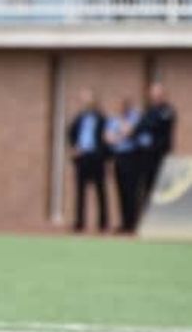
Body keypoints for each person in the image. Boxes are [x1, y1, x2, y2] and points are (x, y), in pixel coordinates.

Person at [67, 89, 108, 233]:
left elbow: (106, 138)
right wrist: (74, 147)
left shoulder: (102, 118)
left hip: (96, 157)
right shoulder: (79, 118)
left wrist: (104, 154)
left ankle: (103, 223)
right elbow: (70, 133)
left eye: (88, 99)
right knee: (80, 191)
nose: (85, 101)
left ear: (94, 101)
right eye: (83, 99)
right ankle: (79, 222)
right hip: (82, 157)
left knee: (100, 190)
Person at [135, 82, 177, 212]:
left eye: (158, 94)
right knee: (147, 187)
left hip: (161, 155)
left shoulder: (167, 111)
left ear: (163, 95)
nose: (156, 97)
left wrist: (146, 124)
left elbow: (156, 125)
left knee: (162, 188)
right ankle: (148, 214)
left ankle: (163, 215)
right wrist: (145, 125)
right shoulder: (149, 110)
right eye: (153, 94)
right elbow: (139, 127)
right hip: (146, 156)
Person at [104, 96, 142, 234]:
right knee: (120, 190)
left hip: (132, 157)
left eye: (122, 105)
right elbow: (108, 138)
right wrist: (119, 136)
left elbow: (129, 132)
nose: (120, 108)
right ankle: (124, 223)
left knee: (131, 190)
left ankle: (133, 223)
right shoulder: (112, 119)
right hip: (118, 157)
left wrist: (120, 131)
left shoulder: (135, 117)